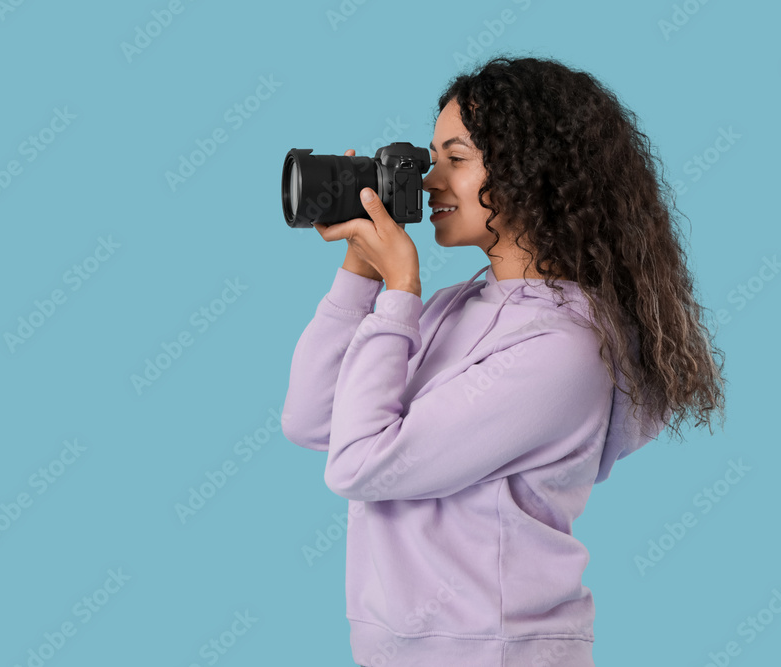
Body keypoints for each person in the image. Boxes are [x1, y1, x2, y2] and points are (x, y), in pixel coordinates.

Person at [281, 55, 727, 667]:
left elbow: (359, 464)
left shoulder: (565, 349)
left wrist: (399, 291)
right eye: (429, 159)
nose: (430, 182)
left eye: (456, 160)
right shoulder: (448, 308)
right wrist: (362, 270)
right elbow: (312, 421)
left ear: (532, 173)